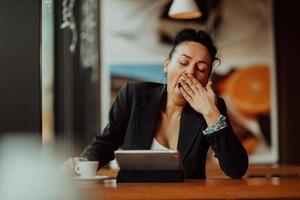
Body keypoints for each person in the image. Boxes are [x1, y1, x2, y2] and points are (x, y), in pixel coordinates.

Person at [63, 29, 248, 179]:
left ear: (206, 79)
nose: (190, 72)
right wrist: (82, 161)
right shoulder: (133, 95)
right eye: (183, 62)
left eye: (201, 69)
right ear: (167, 65)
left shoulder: (213, 107)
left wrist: (210, 113)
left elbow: (236, 169)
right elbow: (105, 144)